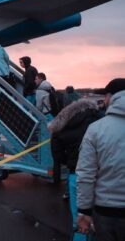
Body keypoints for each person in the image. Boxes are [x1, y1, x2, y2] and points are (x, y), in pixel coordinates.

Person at [76, 78, 125, 240]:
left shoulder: (96, 129)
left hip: (106, 211)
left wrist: (84, 211)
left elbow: (86, 175)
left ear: (111, 97)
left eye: (105, 96)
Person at [49, 99, 101, 240]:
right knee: (99, 222)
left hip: (75, 174)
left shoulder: (64, 124)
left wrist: (70, 162)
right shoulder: (101, 120)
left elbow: (57, 153)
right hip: (101, 176)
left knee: (80, 221)